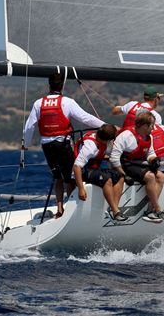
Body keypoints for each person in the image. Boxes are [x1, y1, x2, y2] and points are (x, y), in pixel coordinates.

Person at [22, 72, 105, 218]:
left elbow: (29, 127)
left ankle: (60, 210)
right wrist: (105, 125)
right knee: (71, 178)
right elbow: (85, 118)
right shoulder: (67, 102)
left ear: (49, 85)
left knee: (58, 177)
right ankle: (73, 210)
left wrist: (26, 144)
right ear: (62, 86)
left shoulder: (38, 103)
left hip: (47, 146)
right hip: (63, 144)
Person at [110, 111, 164, 223]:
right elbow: (114, 158)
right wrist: (124, 175)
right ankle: (158, 209)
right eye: (152, 125)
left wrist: (154, 159)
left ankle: (150, 211)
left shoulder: (149, 137)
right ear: (145, 126)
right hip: (125, 165)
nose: (153, 128)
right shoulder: (126, 136)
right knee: (150, 177)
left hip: (138, 164)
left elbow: (150, 153)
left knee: (161, 177)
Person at [73, 124, 127, 222]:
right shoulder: (90, 147)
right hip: (84, 171)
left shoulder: (101, 137)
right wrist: (81, 188)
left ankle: (114, 209)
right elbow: (77, 166)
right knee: (107, 179)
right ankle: (115, 212)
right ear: (107, 140)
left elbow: (99, 155)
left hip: (95, 168)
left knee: (120, 176)